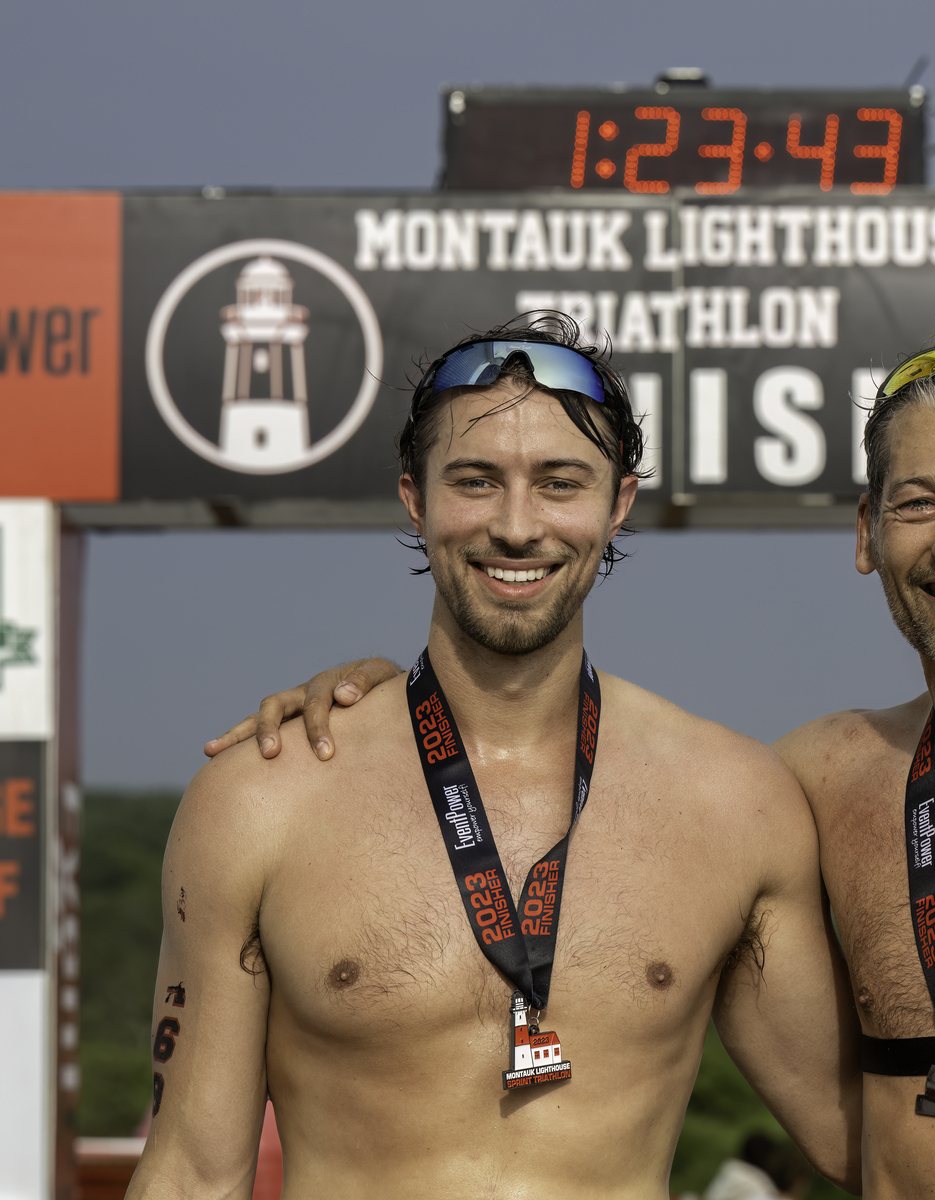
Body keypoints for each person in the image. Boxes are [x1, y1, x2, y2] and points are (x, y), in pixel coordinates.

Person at [217, 340, 935, 1198]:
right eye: (916, 505)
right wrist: (376, 700)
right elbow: (584, 784)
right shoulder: (806, 787)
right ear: (864, 534)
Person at [133, 315, 861, 1200]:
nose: (517, 527)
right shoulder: (263, 796)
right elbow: (190, 1176)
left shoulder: (736, 804)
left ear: (619, 503)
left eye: (561, 483)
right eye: (476, 481)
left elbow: (861, 1138)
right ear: (416, 498)